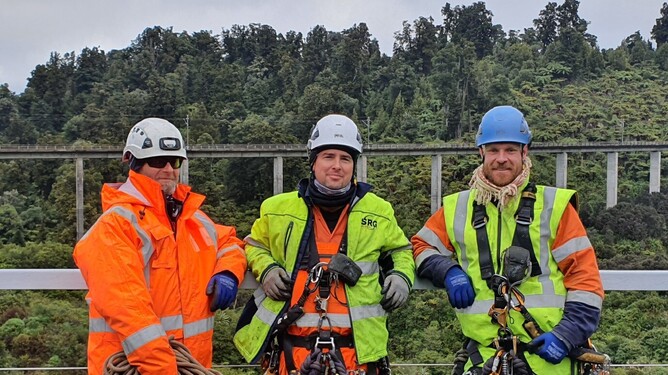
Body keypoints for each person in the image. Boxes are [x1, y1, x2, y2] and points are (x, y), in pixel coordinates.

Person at [411, 106, 605, 374]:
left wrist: (566, 334)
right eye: (493, 150)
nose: (501, 158)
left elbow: (586, 281)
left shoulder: (554, 207)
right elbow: (420, 247)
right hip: (484, 358)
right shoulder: (458, 207)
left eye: (511, 150)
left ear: (525, 152)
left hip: (547, 360)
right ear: (481, 153)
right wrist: (447, 270)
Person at [234, 114, 415, 375]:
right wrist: (267, 269)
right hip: (292, 351)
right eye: (328, 156)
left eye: (345, 159)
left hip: (358, 354)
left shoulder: (378, 211)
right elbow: (254, 245)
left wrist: (401, 276)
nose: (337, 166)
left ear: (354, 165)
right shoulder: (277, 210)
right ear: (313, 162)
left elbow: (401, 251)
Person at [73, 117, 247, 375]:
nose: (168, 169)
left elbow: (230, 242)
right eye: (157, 161)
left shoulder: (192, 220)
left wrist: (228, 272)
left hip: (192, 365)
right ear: (134, 163)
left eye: (174, 161)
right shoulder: (115, 227)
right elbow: (131, 316)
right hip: (145, 368)